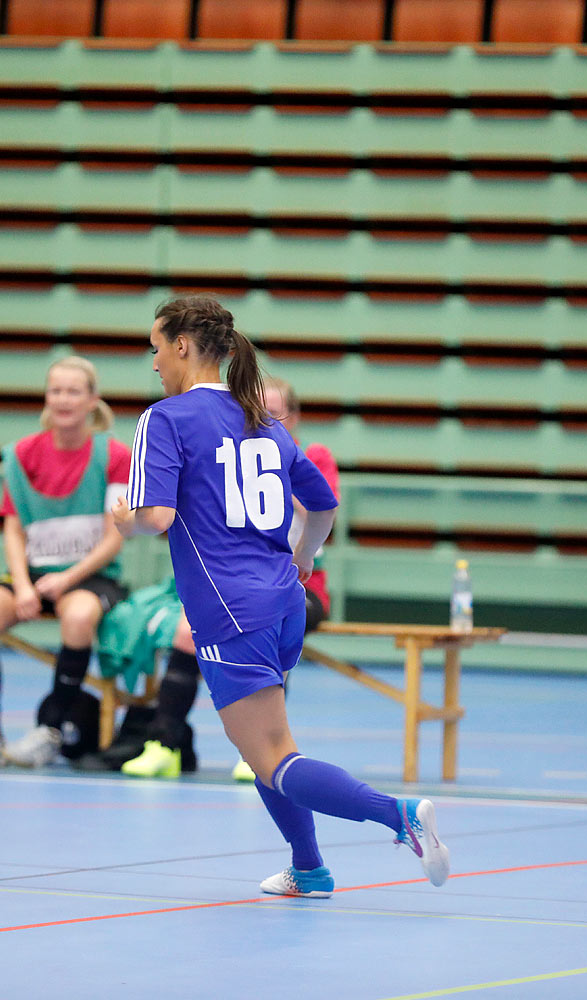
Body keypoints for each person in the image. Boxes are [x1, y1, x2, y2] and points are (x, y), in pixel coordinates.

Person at [113, 295, 449, 898]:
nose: (154, 361)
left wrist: (123, 518)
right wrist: (301, 558)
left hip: (230, 611)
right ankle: (310, 868)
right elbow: (322, 505)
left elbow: (157, 515)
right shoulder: (264, 422)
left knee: (272, 758)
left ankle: (398, 816)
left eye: (156, 346)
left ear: (183, 346)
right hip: (282, 604)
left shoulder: (164, 418)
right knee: (267, 743)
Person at [120, 376, 340, 781]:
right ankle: (165, 742)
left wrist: (268, 474)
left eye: (272, 414)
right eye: (255, 413)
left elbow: (324, 510)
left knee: (268, 634)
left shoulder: (307, 455)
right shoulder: (224, 452)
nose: (262, 421)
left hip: (299, 587)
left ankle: (262, 751)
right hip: (234, 586)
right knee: (188, 630)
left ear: (292, 418)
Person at [0, 356, 131, 768]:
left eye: (74, 391)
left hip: (91, 575)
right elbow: (14, 529)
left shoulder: (114, 455)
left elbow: (114, 539)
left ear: (92, 400)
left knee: (78, 618)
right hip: (33, 574)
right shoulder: (21, 455)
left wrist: (65, 579)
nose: (63, 399)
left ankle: (49, 730)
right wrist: (21, 585)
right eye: (56, 390)